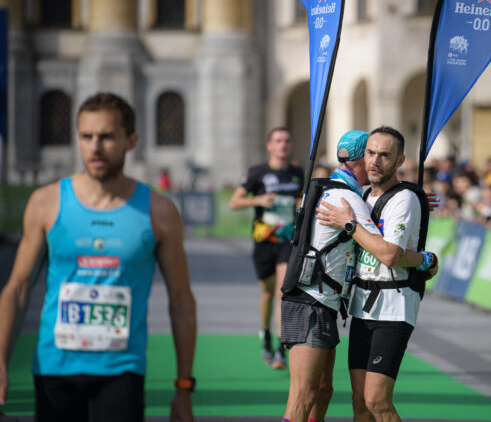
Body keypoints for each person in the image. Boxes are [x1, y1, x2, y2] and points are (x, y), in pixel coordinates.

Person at [0, 93, 197, 421]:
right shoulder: (46, 203)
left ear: (131, 141)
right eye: (86, 136)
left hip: (121, 370)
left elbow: (181, 301)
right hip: (54, 369)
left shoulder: (160, 212)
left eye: (106, 137)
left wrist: (183, 387)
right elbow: (18, 288)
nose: (95, 147)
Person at [280, 131, 436, 422]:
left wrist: (411, 198)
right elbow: (385, 247)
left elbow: (388, 243)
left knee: (339, 395)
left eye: (384, 155)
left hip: (372, 305)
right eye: (370, 154)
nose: (375, 161)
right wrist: (426, 258)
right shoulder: (350, 197)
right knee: (308, 397)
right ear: (360, 159)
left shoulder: (345, 191)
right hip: (320, 302)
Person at [229, 128, 304, 369]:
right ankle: (265, 334)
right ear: (269, 146)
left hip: (287, 241)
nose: (283, 144)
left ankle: (282, 348)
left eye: (287, 140)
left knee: (284, 292)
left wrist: (300, 203)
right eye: (278, 141)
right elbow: (234, 201)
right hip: (263, 242)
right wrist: (259, 200)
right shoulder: (257, 172)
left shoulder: (297, 172)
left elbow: (303, 199)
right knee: (267, 293)